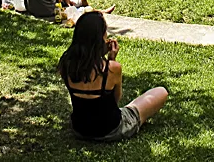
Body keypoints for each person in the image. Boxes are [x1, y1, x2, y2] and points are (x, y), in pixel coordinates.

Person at [58, 10, 168, 142]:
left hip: (80, 130)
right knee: (160, 92)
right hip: (111, 130)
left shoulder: (67, 64)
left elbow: (88, 69)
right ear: (100, 38)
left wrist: (102, 57)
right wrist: (112, 60)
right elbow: (115, 101)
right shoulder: (112, 68)